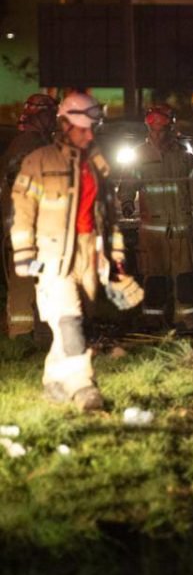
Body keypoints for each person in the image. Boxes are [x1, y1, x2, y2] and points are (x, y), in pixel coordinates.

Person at [10, 92, 139, 411]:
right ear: (65, 124)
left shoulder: (95, 162)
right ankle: (84, 385)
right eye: (84, 126)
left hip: (89, 256)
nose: (90, 133)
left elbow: (108, 216)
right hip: (53, 256)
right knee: (69, 321)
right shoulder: (38, 161)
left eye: (93, 126)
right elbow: (21, 211)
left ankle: (54, 381)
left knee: (76, 321)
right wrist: (24, 252)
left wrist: (116, 255)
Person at [120, 104, 193, 332]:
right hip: (152, 232)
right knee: (155, 278)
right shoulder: (139, 156)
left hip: (182, 228)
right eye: (154, 129)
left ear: (171, 128)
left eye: (163, 129)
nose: (158, 134)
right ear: (148, 128)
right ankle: (152, 321)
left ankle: (187, 321)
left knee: (185, 277)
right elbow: (128, 183)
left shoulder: (184, 157)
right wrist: (127, 202)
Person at [2, 94, 58, 338]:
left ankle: (36, 329)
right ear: (41, 116)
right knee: (25, 276)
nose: (54, 119)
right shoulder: (27, 144)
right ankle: (22, 331)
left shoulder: (40, 143)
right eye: (51, 115)